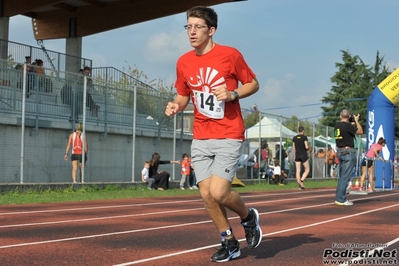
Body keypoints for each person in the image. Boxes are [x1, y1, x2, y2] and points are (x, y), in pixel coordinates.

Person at [164, 6, 262, 262]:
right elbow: (184, 94)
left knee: (219, 192)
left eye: (198, 27)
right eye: (188, 27)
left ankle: (248, 217)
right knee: (206, 194)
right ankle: (228, 240)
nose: (192, 32)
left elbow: (253, 83)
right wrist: (176, 105)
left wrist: (233, 94)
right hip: (201, 135)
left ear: (211, 30)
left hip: (229, 133)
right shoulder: (184, 61)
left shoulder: (230, 55)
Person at [334, 109, 363, 206]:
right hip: (348, 151)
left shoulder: (337, 126)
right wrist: (357, 121)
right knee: (345, 177)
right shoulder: (348, 126)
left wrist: (351, 123)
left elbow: (346, 131)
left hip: (340, 150)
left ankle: (339, 197)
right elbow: (360, 131)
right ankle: (341, 199)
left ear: (340, 116)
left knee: (342, 176)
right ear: (349, 116)